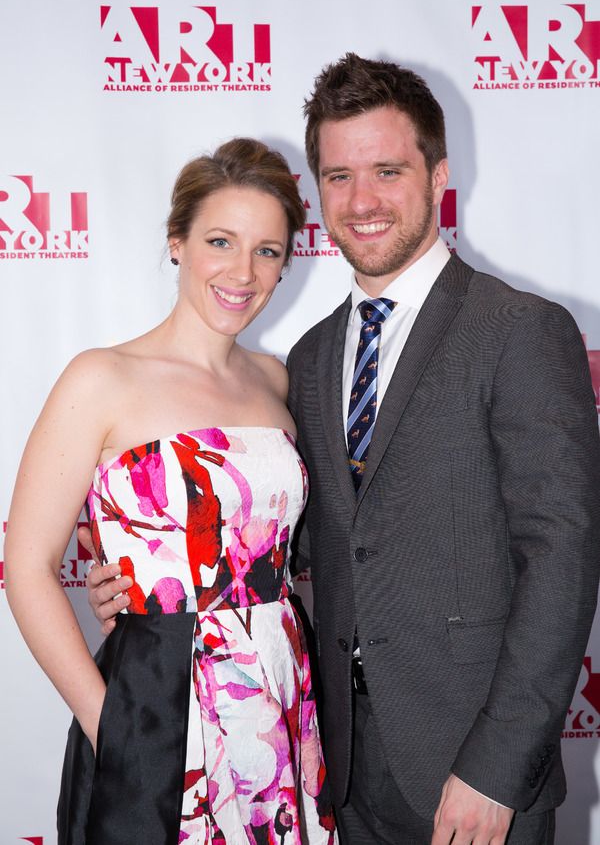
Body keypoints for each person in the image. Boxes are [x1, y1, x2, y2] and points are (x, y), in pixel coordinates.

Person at [86, 55, 600, 845]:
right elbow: (283, 537)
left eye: (387, 171)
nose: (361, 202)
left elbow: (562, 558)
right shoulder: (314, 358)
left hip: (471, 774)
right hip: (325, 763)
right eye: (337, 176)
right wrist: (141, 575)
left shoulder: (520, 331)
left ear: (437, 177)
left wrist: (497, 768)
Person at [4, 138, 337, 845]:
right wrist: (111, 724)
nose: (242, 272)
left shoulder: (277, 381)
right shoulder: (101, 379)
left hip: (279, 698)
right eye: (221, 241)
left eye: (268, 251)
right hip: (156, 703)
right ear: (177, 243)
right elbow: (28, 567)